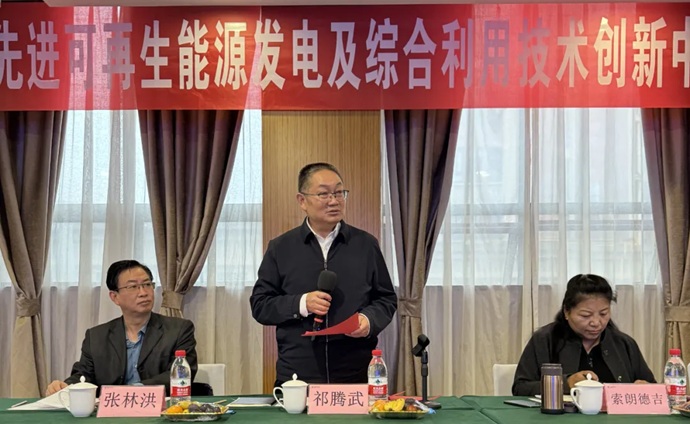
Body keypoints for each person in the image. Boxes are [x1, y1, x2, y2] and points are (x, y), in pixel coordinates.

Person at [250, 162, 397, 387]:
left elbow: (386, 299)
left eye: (339, 192)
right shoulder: (281, 248)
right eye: (323, 194)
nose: (334, 201)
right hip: (298, 376)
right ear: (302, 201)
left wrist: (369, 320)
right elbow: (260, 305)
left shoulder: (366, 245)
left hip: (354, 372)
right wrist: (302, 303)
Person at [45, 260, 197, 396]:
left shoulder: (179, 330)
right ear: (114, 297)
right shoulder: (96, 336)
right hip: (110, 412)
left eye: (147, 284)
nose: (143, 293)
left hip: (161, 409)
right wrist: (65, 386)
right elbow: (83, 376)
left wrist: (132, 390)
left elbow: (182, 374)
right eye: (133, 287)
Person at [512, 273, 655, 396]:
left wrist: (645, 388)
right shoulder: (544, 340)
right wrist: (566, 383)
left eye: (603, 314)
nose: (596, 323)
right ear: (567, 312)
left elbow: (652, 386)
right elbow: (520, 388)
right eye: (586, 315)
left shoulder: (624, 343)